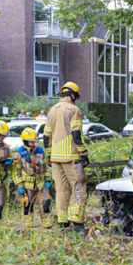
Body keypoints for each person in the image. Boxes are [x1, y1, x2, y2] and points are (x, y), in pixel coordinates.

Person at [43, 82, 89, 232]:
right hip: (71, 157)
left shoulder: (52, 110)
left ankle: (63, 223)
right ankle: (77, 224)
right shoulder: (73, 109)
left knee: (61, 190)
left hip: (55, 158)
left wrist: (49, 154)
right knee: (78, 187)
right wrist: (83, 152)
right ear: (73, 95)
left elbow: (46, 136)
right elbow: (76, 134)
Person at [13, 128, 51, 219]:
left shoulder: (40, 150)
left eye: (34, 141)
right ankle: (28, 227)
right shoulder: (18, 153)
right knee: (27, 207)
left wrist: (47, 179)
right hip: (27, 186)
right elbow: (16, 172)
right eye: (31, 142)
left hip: (41, 184)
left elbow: (44, 166)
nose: (33, 143)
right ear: (25, 141)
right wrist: (20, 186)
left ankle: (47, 225)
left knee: (46, 205)